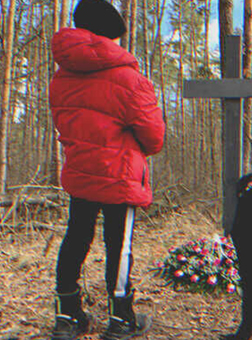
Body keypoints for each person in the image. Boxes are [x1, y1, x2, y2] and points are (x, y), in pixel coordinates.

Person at [48, 0, 165, 339]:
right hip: (119, 174)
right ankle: (121, 319)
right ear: (109, 37)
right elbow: (154, 138)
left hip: (81, 171)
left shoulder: (62, 77)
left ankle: (67, 316)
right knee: (120, 244)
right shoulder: (130, 79)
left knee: (76, 238)